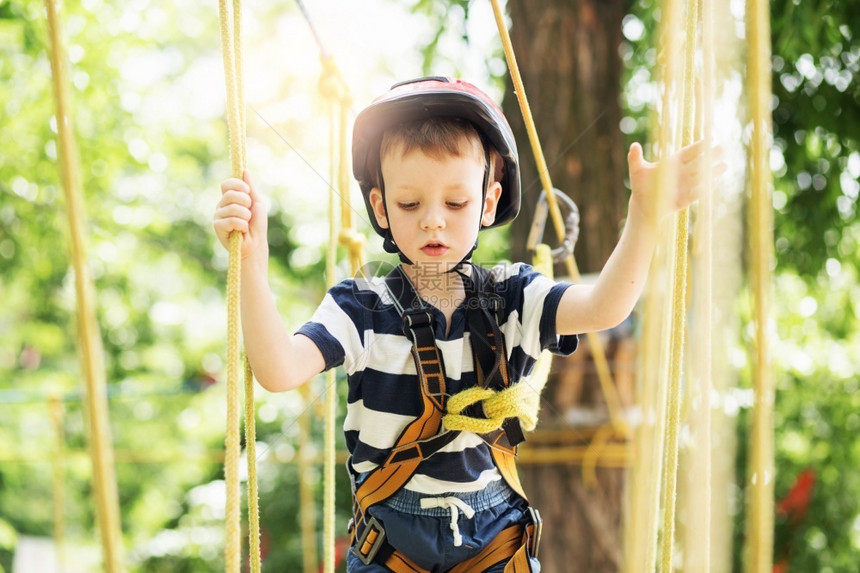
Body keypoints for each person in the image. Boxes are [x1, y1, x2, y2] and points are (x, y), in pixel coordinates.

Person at [213, 77, 724, 572]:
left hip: (493, 536)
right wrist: (251, 263)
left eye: (455, 203)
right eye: (410, 204)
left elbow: (606, 307)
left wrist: (645, 217)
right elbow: (278, 370)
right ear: (380, 208)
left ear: (488, 203)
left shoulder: (513, 296)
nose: (433, 220)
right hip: (390, 541)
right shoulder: (360, 307)